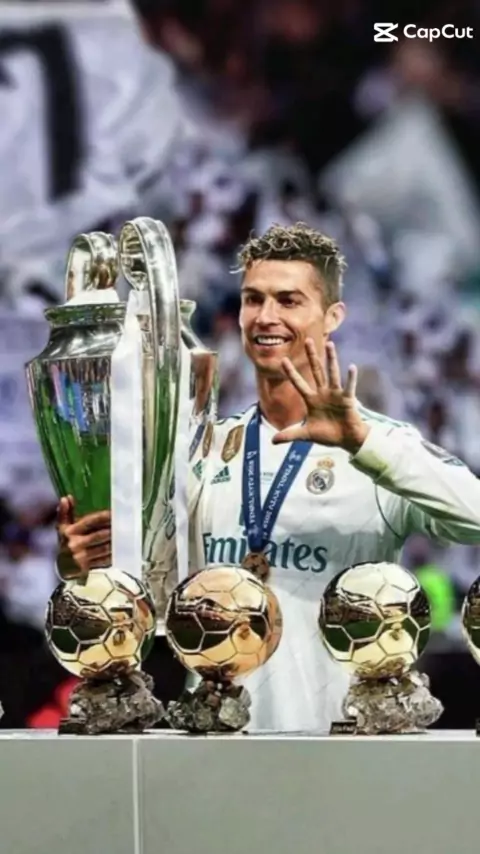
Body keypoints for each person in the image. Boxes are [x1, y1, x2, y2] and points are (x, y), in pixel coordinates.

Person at [56, 222, 480, 732]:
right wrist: (89, 565)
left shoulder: (379, 447)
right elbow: (157, 593)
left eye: (289, 300)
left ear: (333, 317)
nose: (266, 316)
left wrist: (362, 442)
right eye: (253, 299)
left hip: (342, 744)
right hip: (219, 742)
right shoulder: (204, 449)